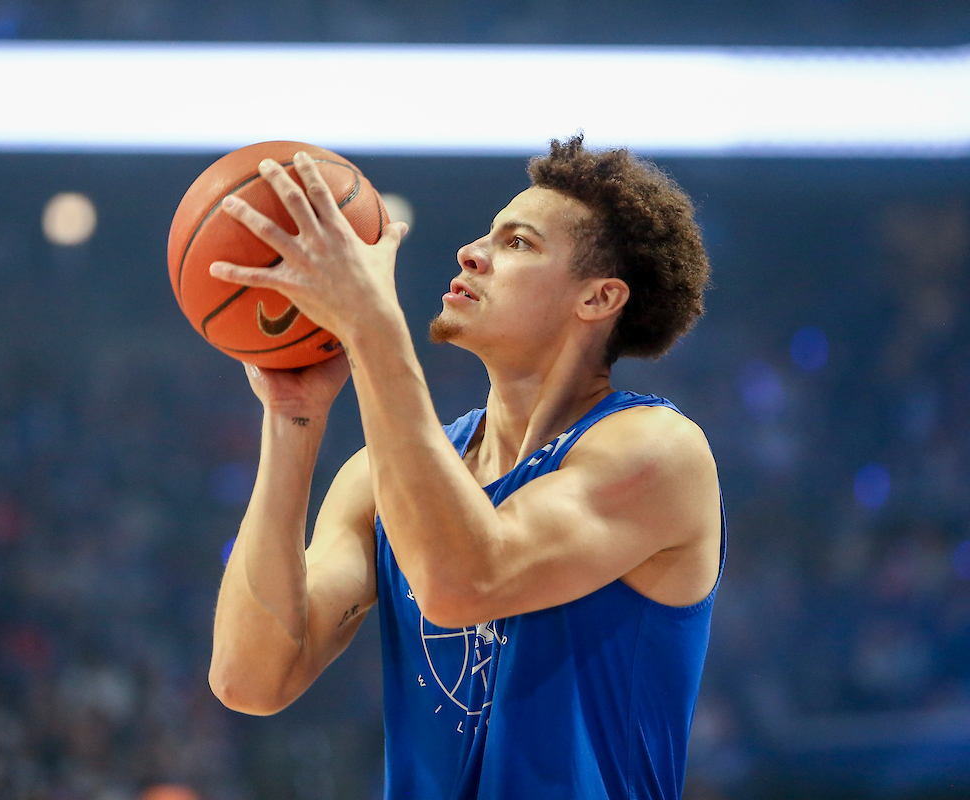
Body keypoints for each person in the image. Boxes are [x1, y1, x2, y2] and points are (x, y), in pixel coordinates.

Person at [206, 135, 723, 799]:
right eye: (488, 234)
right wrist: (291, 418)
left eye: (517, 244)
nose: (470, 252)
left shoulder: (659, 452)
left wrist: (371, 326)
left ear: (596, 299)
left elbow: (463, 579)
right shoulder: (378, 479)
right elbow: (249, 679)